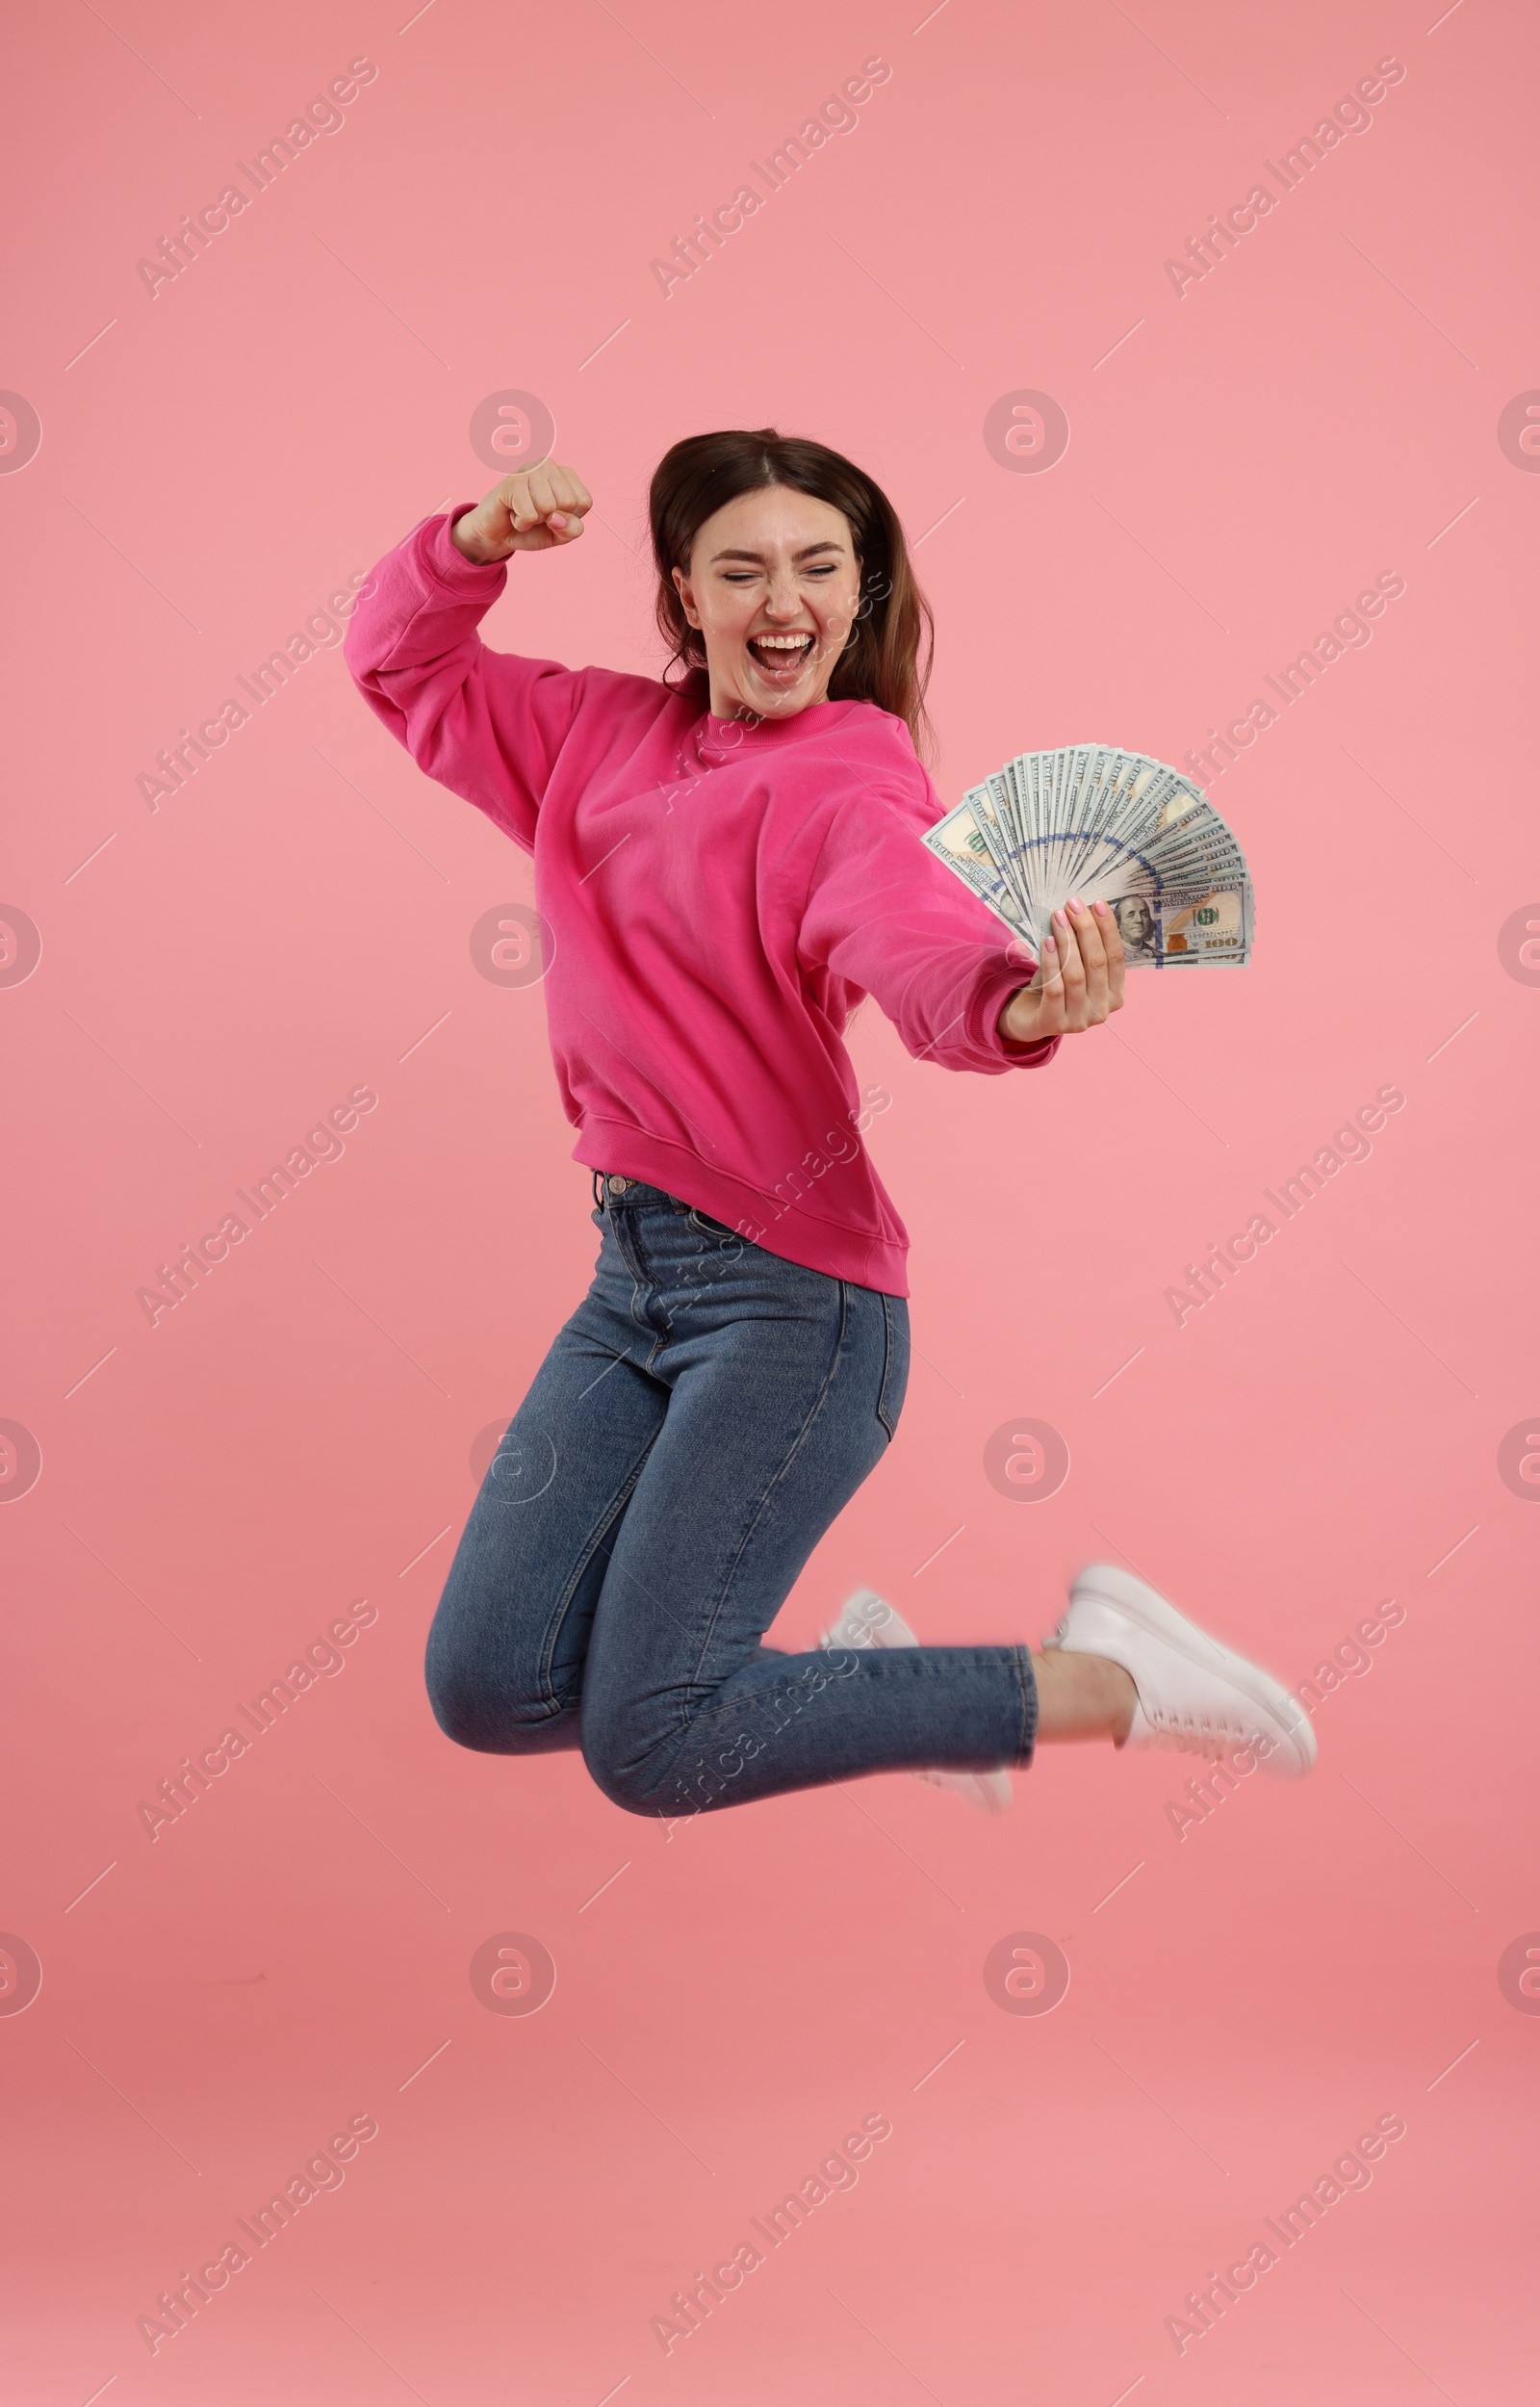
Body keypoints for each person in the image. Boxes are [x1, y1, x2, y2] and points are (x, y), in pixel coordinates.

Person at [345, 427, 1314, 1825]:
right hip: (633, 1283)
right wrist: (470, 545)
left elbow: (916, 943)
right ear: (683, 594)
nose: (781, 601)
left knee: (654, 1744)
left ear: (862, 592)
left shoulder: (853, 778)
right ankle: (886, 1695)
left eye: (818, 566)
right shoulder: (590, 738)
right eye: (739, 570)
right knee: (488, 1683)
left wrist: (1018, 1003)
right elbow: (399, 666)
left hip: (793, 1310)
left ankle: (1104, 1674)